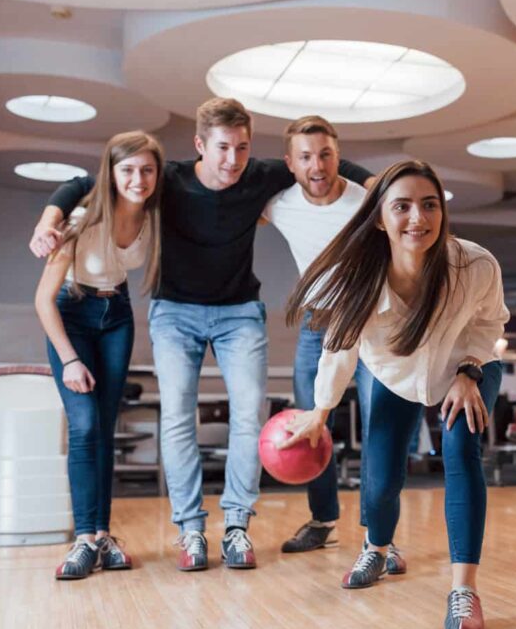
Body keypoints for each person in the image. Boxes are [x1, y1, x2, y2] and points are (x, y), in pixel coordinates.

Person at [29, 98, 373, 572]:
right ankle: (190, 530)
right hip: (175, 312)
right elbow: (84, 184)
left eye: (242, 148)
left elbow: (321, 159)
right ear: (199, 145)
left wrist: (376, 184)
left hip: (239, 313)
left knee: (249, 413)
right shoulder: (165, 179)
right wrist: (49, 221)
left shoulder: (260, 174)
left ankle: (236, 525)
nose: (233, 160)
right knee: (176, 418)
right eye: (223, 148)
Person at [283, 160, 509, 629]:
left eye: (430, 205)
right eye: (402, 206)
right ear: (380, 217)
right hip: (394, 376)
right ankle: (379, 547)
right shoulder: (357, 277)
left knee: (460, 451)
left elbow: (490, 323)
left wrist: (470, 370)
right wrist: (320, 412)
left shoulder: (475, 265)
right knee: (381, 479)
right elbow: (339, 350)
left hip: (468, 369)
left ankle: (463, 590)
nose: (417, 218)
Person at [263, 115, 406, 572]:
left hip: (370, 324)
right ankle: (323, 521)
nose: (317, 166)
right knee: (311, 425)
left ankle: (379, 536)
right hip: (315, 325)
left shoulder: (367, 200)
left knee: (378, 423)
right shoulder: (278, 203)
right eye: (305, 157)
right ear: (290, 163)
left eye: (325, 154)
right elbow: (229, 192)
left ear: (338, 155)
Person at [34, 131, 164, 580]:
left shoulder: (154, 215)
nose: (138, 179)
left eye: (147, 169)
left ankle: (102, 535)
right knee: (85, 425)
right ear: (111, 172)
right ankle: (83, 539)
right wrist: (69, 359)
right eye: (128, 169)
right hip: (72, 316)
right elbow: (43, 300)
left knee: (105, 428)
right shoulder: (83, 217)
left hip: (118, 316)